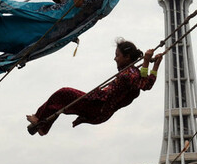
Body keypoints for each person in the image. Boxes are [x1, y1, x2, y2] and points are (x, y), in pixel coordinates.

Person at [26, 39, 163, 136]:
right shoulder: (132, 71)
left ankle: (40, 120)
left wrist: (146, 61)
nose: (115, 59)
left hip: (98, 105)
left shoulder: (129, 74)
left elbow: (144, 84)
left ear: (127, 57)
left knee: (63, 93)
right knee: (62, 101)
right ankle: (42, 125)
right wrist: (155, 65)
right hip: (100, 108)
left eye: (117, 55)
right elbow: (147, 83)